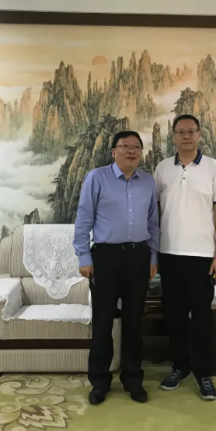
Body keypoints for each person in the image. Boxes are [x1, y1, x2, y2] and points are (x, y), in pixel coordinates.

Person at [73, 130, 159, 405]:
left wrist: (153, 257)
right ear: (113, 152)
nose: (131, 151)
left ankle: (133, 380)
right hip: (105, 258)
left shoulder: (148, 181)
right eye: (125, 146)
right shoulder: (97, 177)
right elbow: (83, 218)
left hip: (138, 257)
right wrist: (84, 257)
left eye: (136, 147)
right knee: (103, 322)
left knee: (134, 322)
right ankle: (99, 382)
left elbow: (153, 222)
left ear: (141, 152)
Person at [154, 114, 216, 401]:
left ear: (199, 135)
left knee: (201, 318)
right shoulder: (162, 168)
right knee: (174, 316)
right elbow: (155, 213)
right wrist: (154, 254)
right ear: (173, 136)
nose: (186, 136)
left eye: (191, 131)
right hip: (169, 254)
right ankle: (180, 367)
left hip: (202, 257)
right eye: (180, 132)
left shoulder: (213, 168)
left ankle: (203, 373)